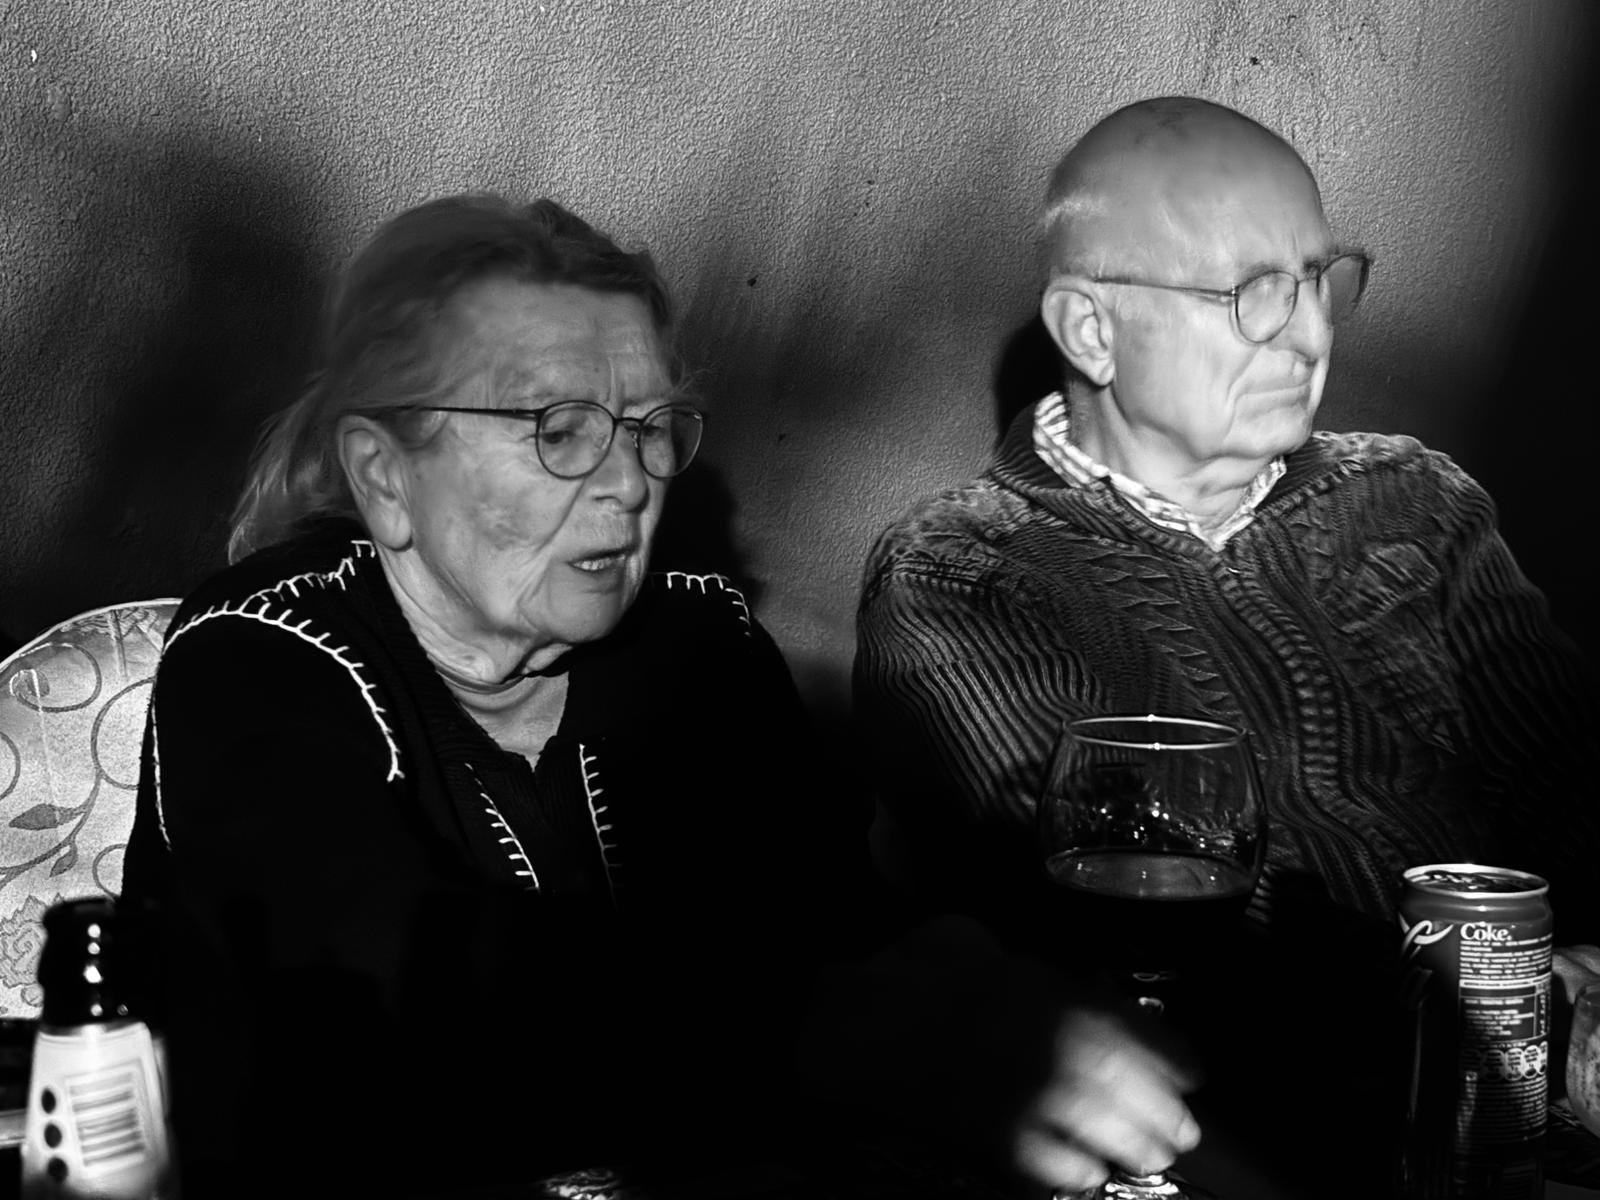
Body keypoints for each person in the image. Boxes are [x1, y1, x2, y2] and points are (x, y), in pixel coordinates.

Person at [120, 193, 1197, 1200]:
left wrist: (991, 1001)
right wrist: (837, 1027)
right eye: (557, 429)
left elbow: (838, 924)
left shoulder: (696, 646)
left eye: (647, 428)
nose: (631, 481)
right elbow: (399, 981)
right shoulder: (259, 656)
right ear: (387, 475)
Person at [855, 96, 1600, 1189]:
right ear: (1091, 331)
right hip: (1248, 1148)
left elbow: (1577, 794)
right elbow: (1143, 939)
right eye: (1253, 292)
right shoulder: (966, 574)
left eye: (1319, 279)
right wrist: (1513, 1004)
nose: (1309, 334)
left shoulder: (1417, 501)